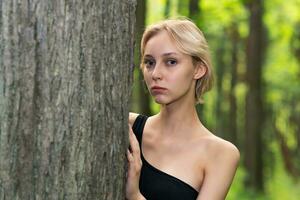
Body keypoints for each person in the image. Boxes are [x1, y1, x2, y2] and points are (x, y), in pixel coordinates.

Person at [126, 18, 240, 200]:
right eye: (149, 63)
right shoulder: (125, 127)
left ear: (198, 69)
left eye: (171, 62)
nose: (155, 74)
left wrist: (135, 196)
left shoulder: (221, 154)